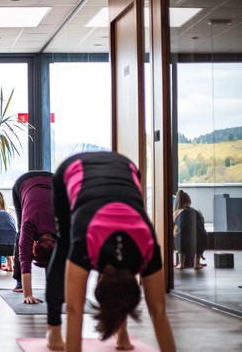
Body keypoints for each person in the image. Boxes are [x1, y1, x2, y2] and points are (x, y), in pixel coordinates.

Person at [46, 151, 175, 352]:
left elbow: (158, 312)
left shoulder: (147, 245)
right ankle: (53, 327)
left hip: (125, 166)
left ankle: (121, 334)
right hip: (73, 169)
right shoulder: (85, 240)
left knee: (116, 288)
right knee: (63, 246)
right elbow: (74, 309)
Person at [11, 171, 57, 301]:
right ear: (35, 243)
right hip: (23, 182)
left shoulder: (63, 224)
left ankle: (50, 284)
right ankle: (19, 281)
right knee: (21, 233)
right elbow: (25, 259)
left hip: (54, 181)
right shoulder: (28, 225)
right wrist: (27, 295)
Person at [173, 189, 208, 270]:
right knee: (201, 233)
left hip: (184, 241)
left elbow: (175, 229)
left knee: (179, 234)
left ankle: (181, 263)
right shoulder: (198, 211)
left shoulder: (176, 213)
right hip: (200, 241)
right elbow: (202, 226)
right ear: (189, 201)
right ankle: (197, 263)